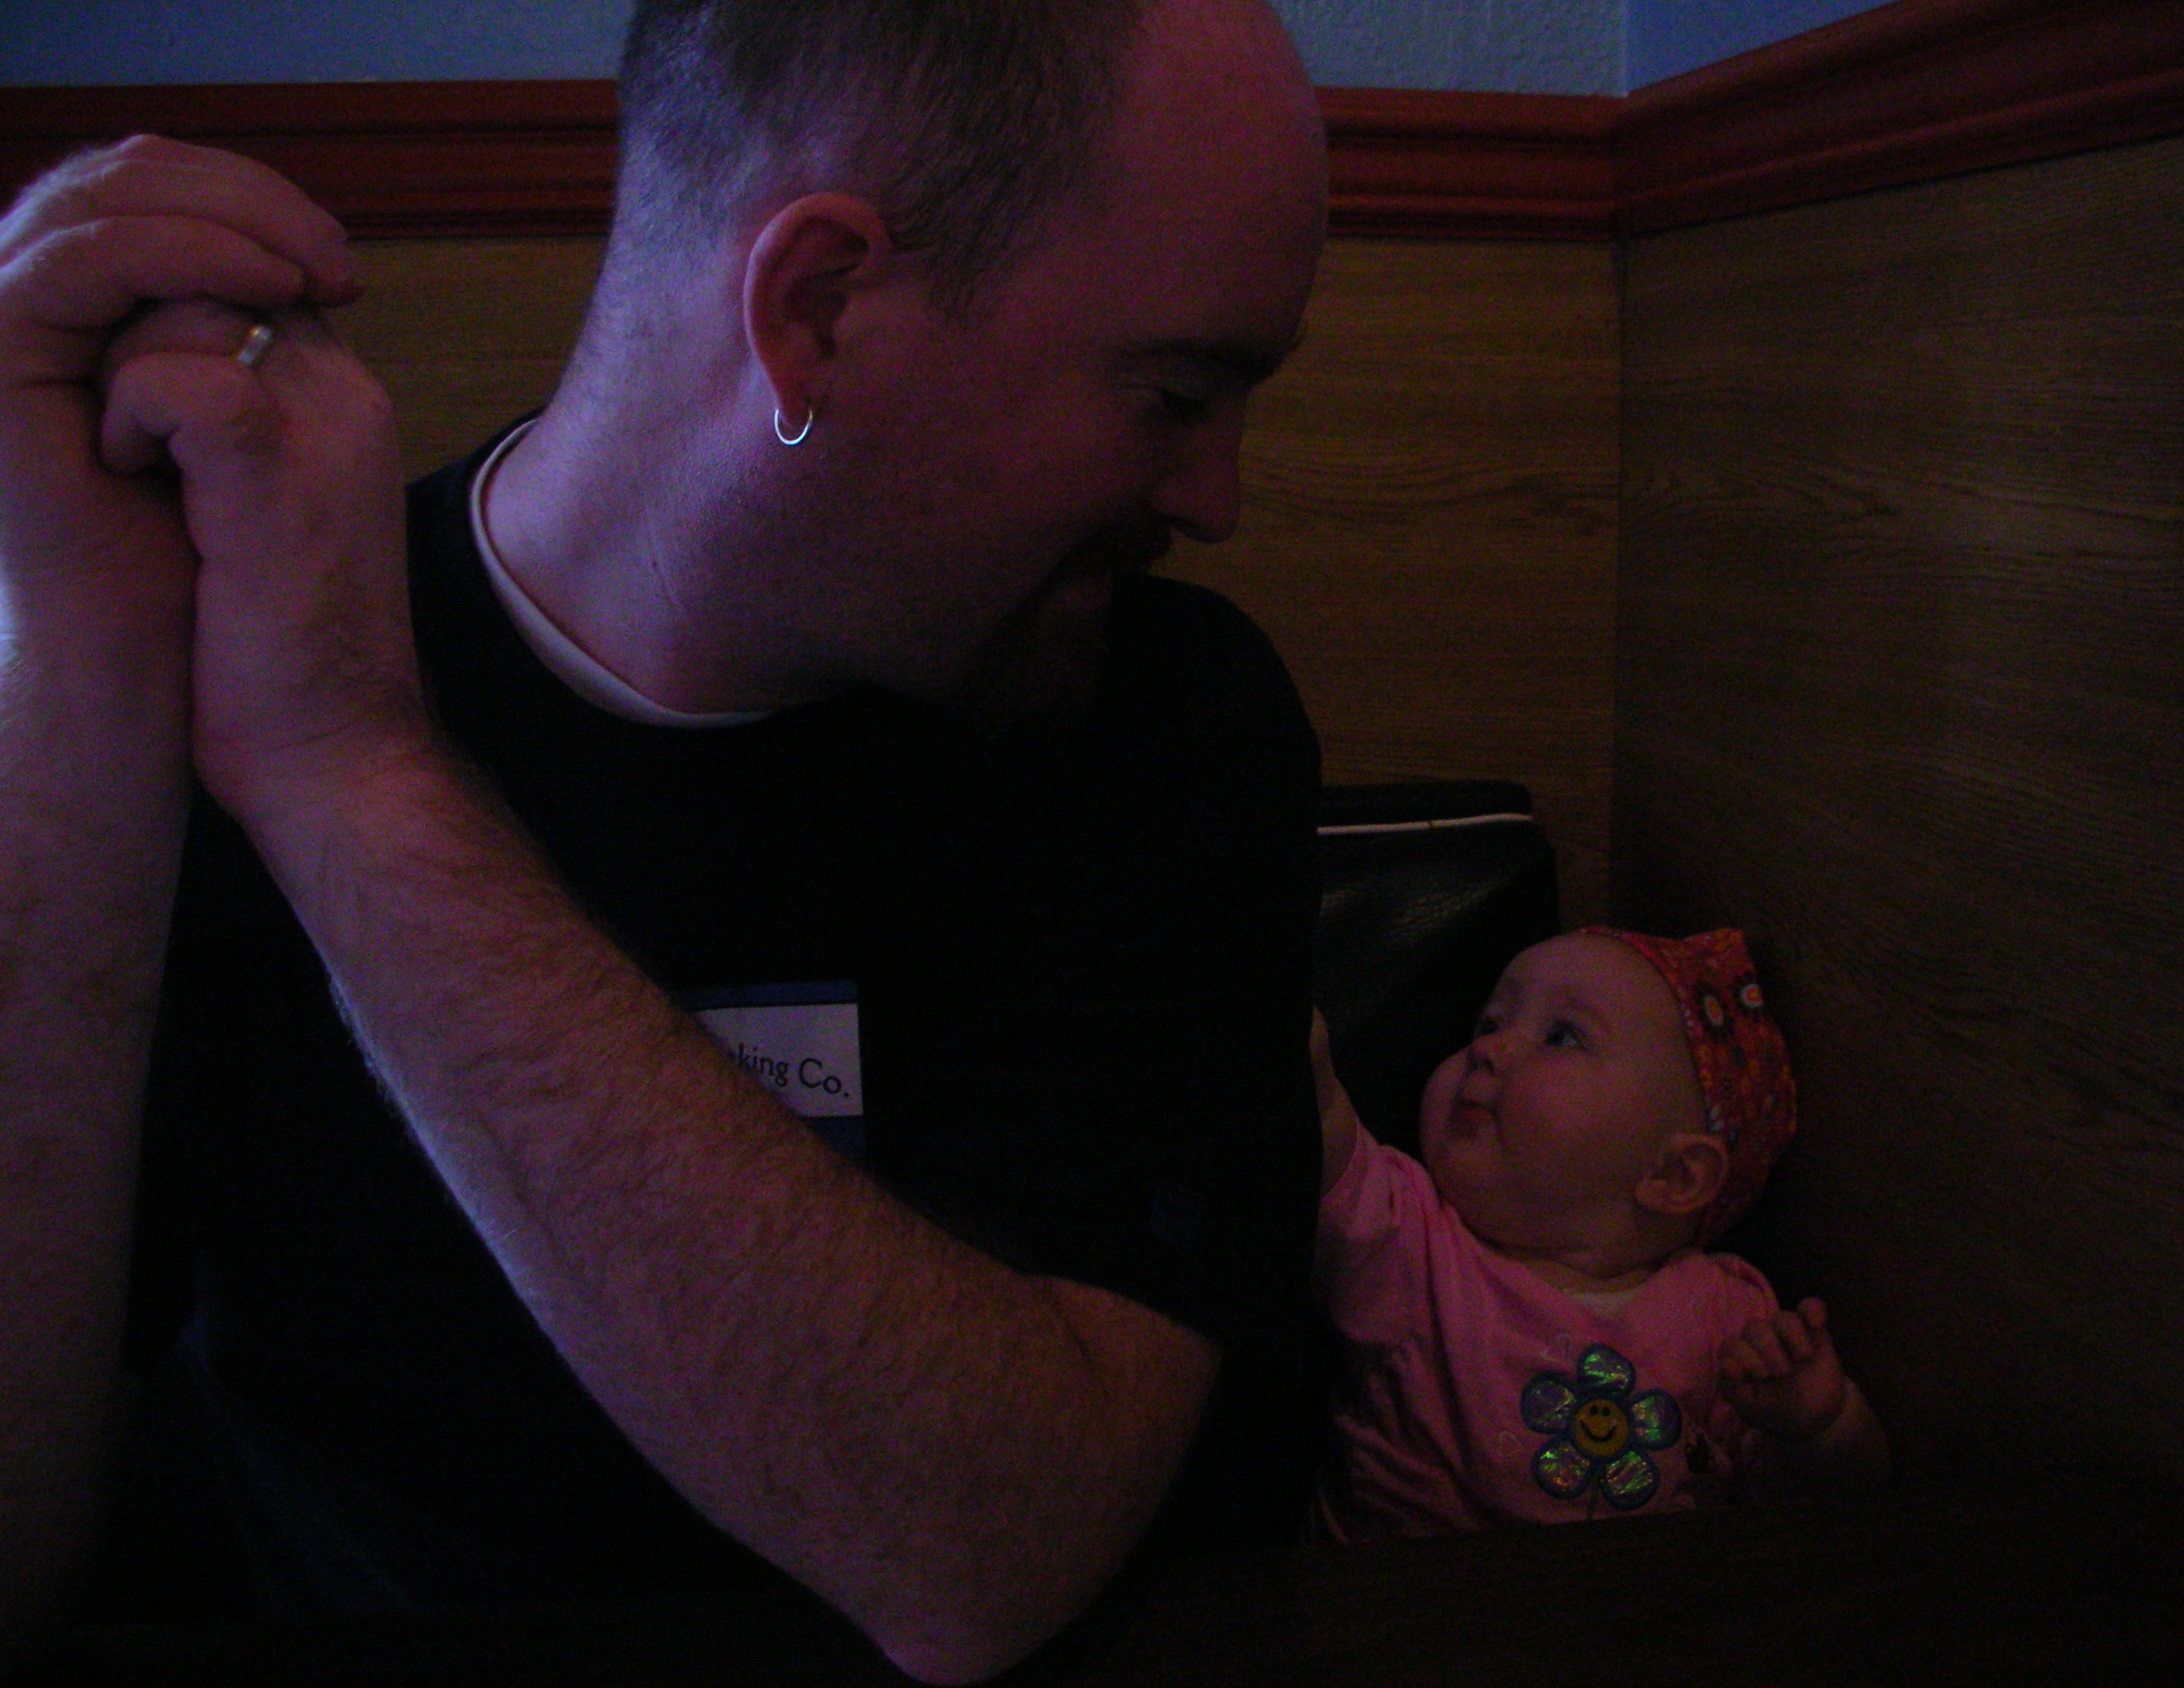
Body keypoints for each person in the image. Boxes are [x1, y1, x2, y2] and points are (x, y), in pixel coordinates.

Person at [0, 1, 1332, 1678]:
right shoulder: (221, 659)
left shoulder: (1159, 723)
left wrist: (351, 774)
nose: (1218, 498)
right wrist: (74, 673)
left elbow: (984, 1545)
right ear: (821, 307)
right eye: (1176, 393)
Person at [1311, 928, 1888, 1540]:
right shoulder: (1411, 1240)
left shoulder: (1726, 1320)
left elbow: (1840, 1507)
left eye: (1561, 1036)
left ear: (1674, 1175)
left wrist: (1823, 1425)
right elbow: (1316, 1123)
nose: (1488, 1048)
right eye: (1490, 1022)